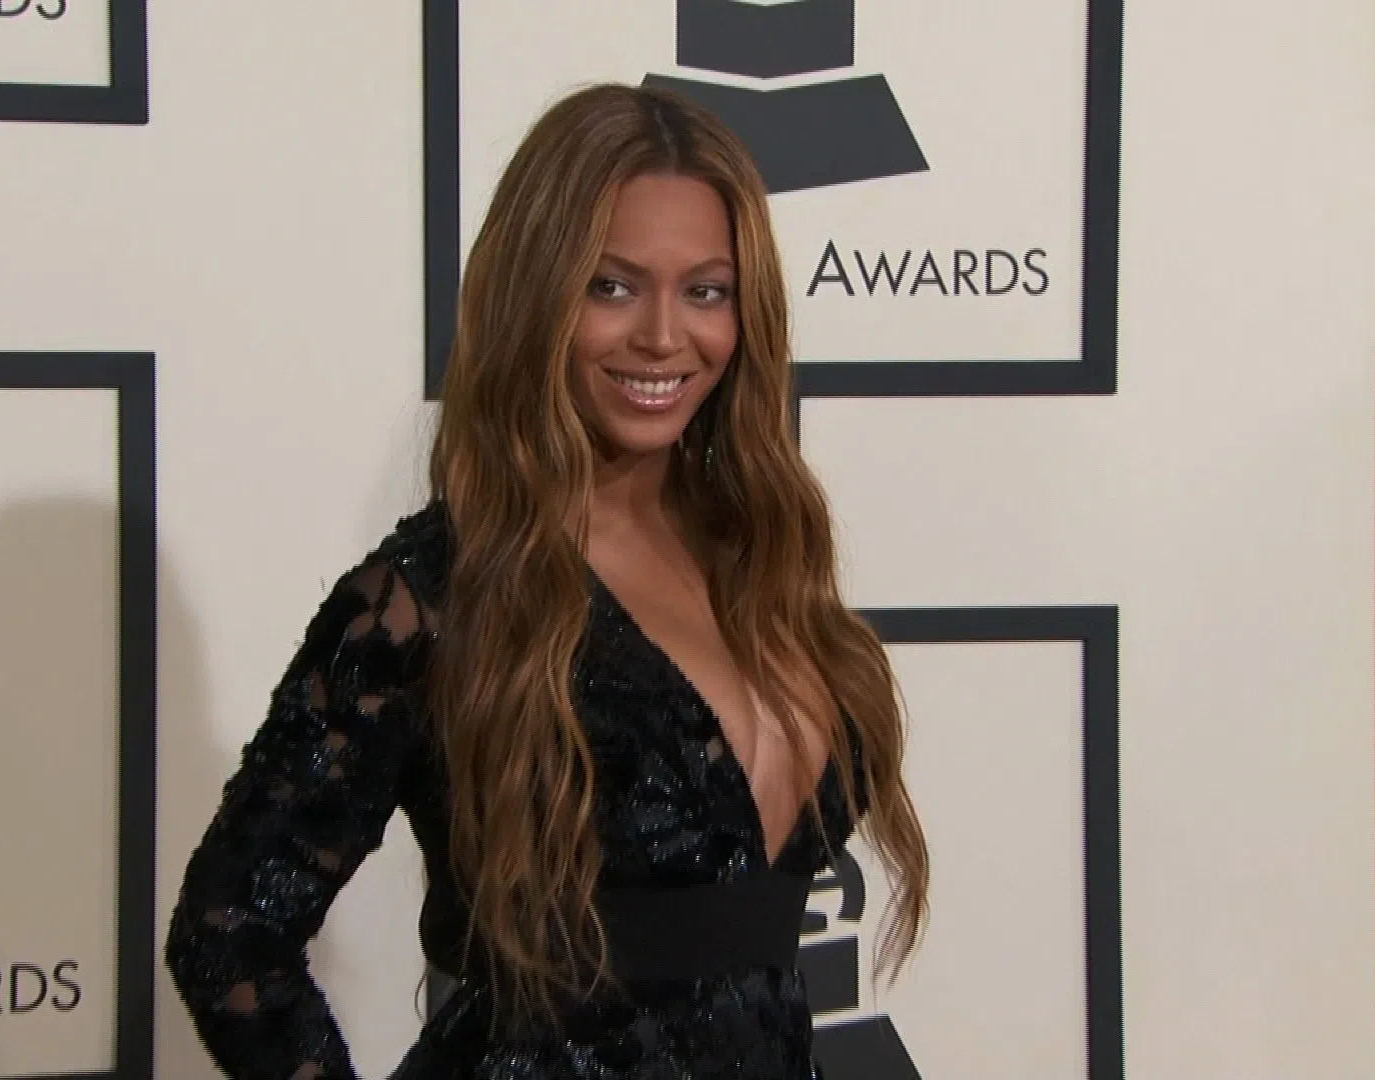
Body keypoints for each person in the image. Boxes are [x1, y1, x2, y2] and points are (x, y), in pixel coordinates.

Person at [165, 82, 930, 1079]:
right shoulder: (430, 600)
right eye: (612, 287)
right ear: (536, 296)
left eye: (706, 291)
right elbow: (227, 938)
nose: (664, 336)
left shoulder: (762, 559)